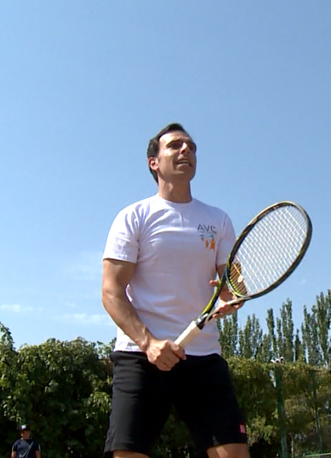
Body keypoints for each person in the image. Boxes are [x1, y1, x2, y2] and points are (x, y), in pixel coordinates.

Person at [101, 123, 249, 458]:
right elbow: (111, 292)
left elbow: (234, 283)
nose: (186, 151)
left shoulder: (218, 220)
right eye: (176, 145)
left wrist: (232, 296)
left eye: (192, 147)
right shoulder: (133, 217)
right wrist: (149, 343)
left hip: (204, 357)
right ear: (154, 162)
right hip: (141, 356)